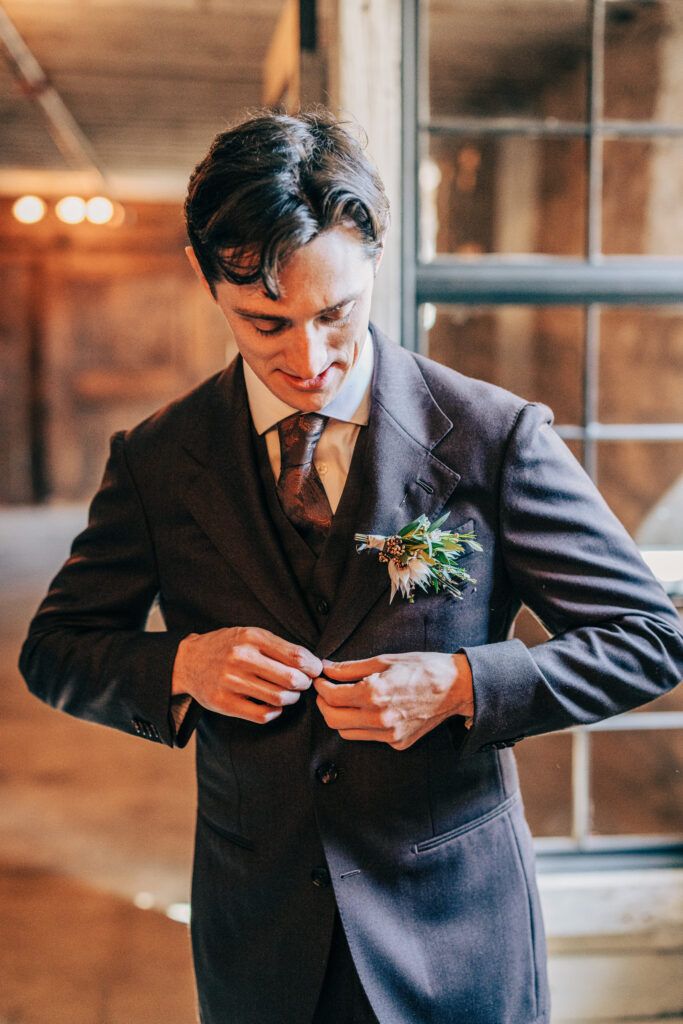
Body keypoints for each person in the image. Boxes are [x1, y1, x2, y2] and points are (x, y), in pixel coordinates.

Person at [20, 109, 683, 1024]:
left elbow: (649, 639)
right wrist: (180, 665)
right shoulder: (157, 459)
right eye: (265, 321)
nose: (308, 358)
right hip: (259, 936)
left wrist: (461, 685)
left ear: (374, 256)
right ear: (205, 278)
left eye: (336, 314)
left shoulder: (494, 436)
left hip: (454, 928)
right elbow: (55, 649)